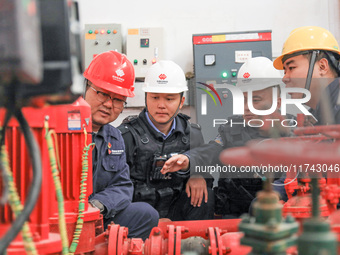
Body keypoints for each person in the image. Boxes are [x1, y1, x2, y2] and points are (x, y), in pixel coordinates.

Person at [163, 57, 292, 218]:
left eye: (255, 100)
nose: (246, 107)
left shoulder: (292, 132)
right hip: (233, 215)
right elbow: (211, 150)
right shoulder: (231, 128)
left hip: (275, 216)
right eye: (244, 99)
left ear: (277, 102)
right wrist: (189, 159)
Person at [118, 60, 214, 221]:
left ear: (181, 102)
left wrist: (198, 175)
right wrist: (152, 220)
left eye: (169, 99)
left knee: (206, 195)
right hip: (141, 216)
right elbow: (117, 186)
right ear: (146, 98)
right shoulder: (126, 136)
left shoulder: (193, 133)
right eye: (155, 97)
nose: (161, 105)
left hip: (178, 211)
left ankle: (195, 242)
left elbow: (205, 165)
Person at [83, 51, 158, 240]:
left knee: (146, 214)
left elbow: (123, 185)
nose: (109, 104)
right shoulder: (59, 129)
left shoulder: (114, 137)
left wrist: (98, 206)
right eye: (102, 93)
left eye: (117, 99)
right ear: (86, 87)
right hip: (59, 217)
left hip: (98, 215)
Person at [273, 26, 340, 126]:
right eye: (284, 71)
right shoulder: (319, 116)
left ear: (322, 67)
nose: (284, 78)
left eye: (291, 68)